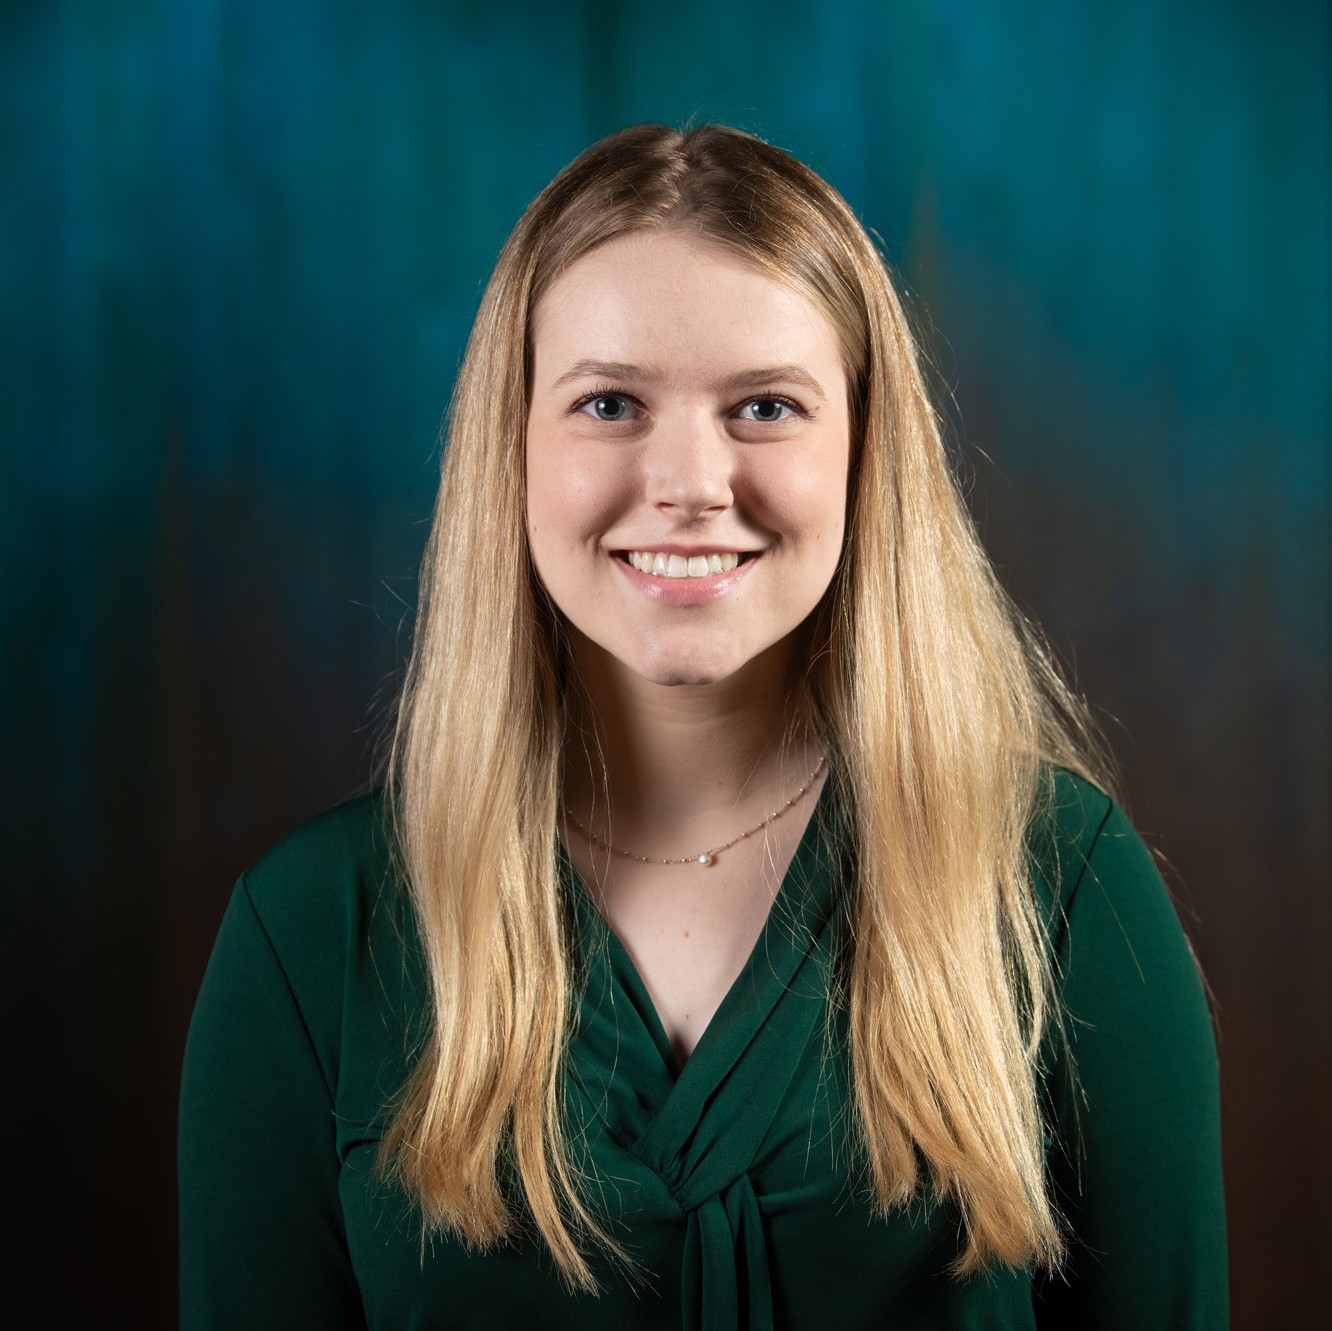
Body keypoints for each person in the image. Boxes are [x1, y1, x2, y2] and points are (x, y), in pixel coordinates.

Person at [178, 123, 1227, 1330]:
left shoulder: (1059, 882)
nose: (690, 480)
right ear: (510, 448)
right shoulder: (308, 937)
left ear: (865, 454)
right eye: (610, 402)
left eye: (767, 406)